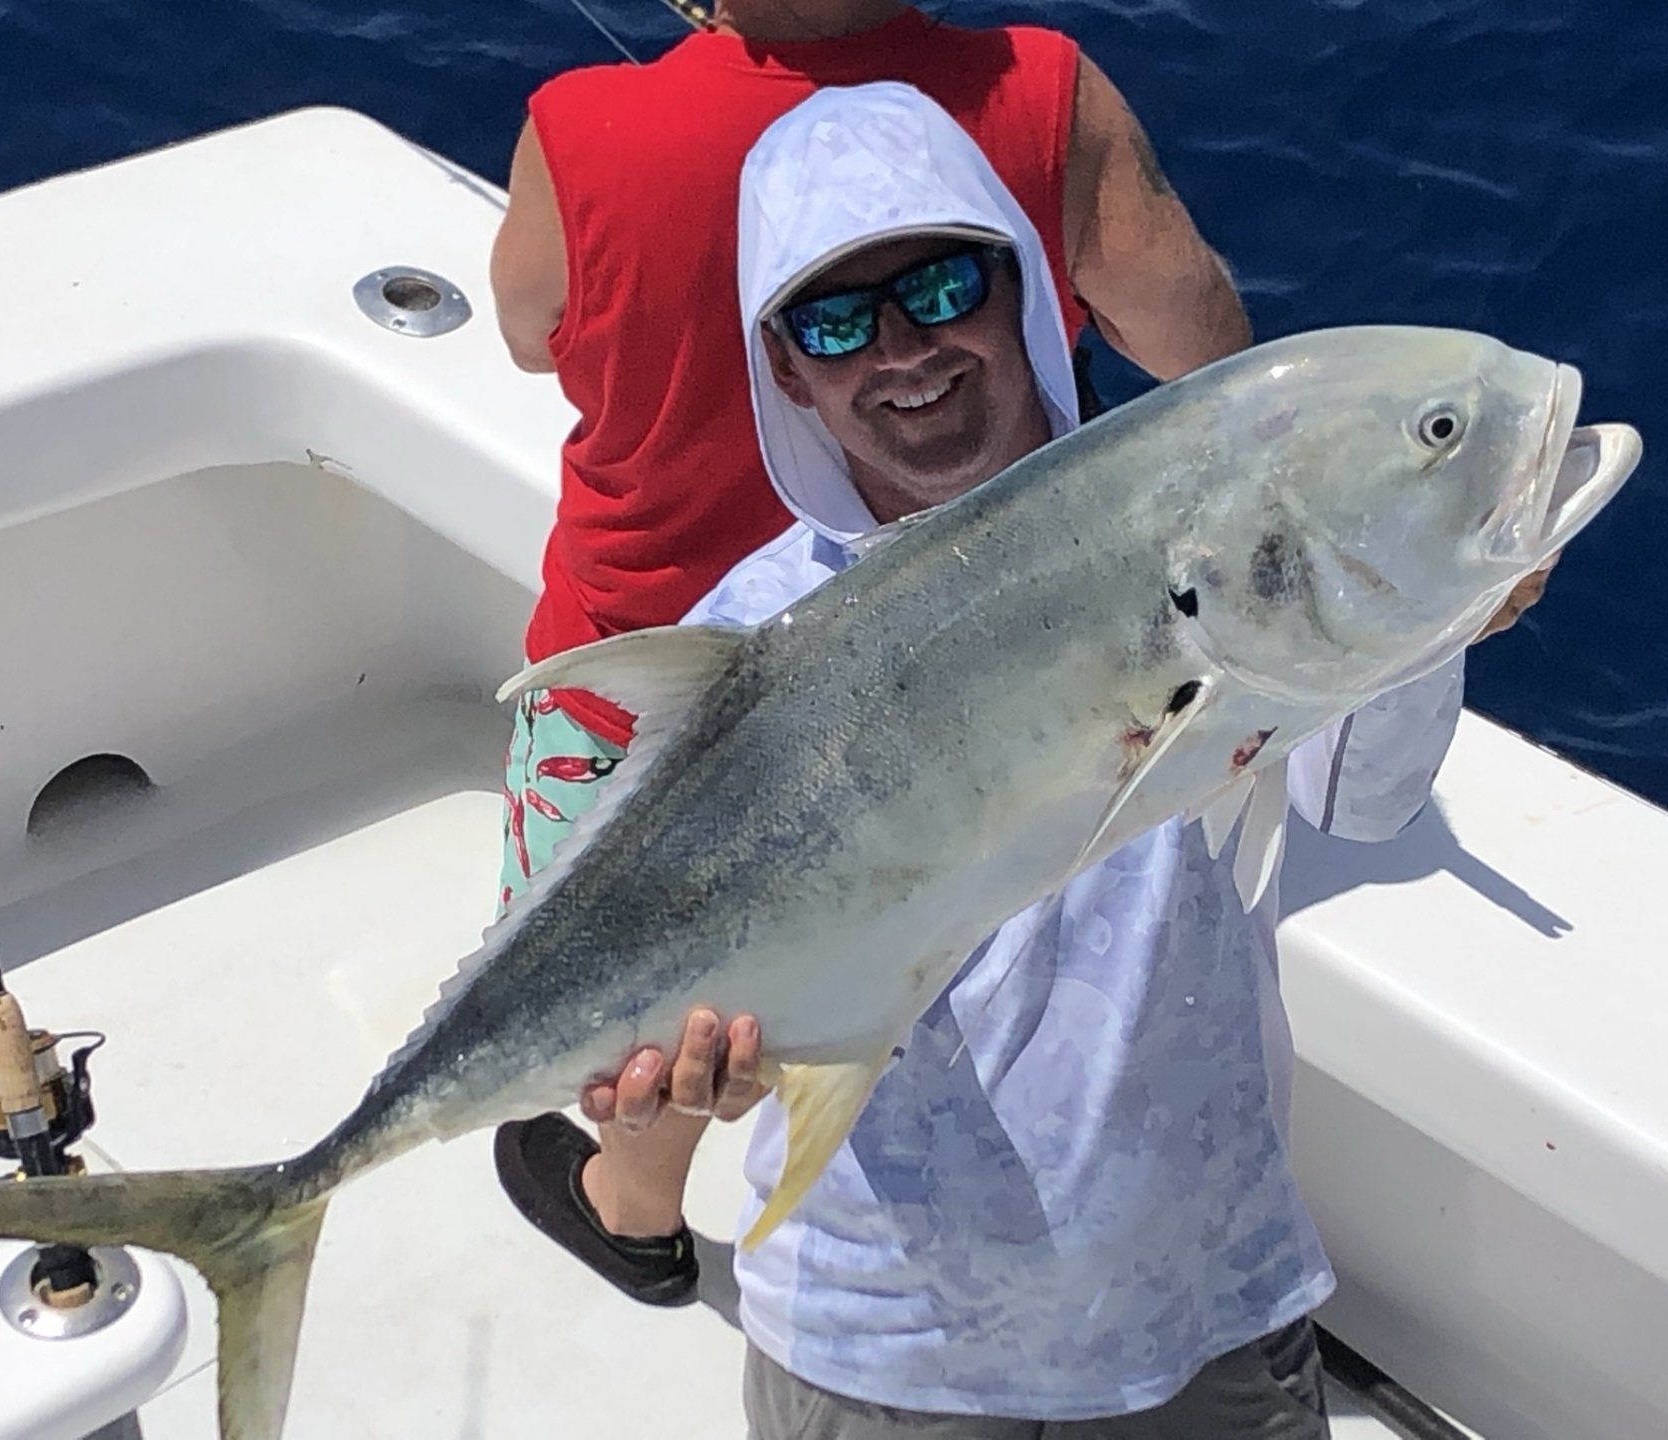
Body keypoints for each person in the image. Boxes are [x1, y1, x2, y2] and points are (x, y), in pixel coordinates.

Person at [501, 83, 1504, 1438]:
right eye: (835, 321)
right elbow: (692, 1003)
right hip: (873, 1346)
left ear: (1022, 285)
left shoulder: (1200, 536)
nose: (902, 349)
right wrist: (695, 1078)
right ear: (787, 371)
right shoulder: (753, 628)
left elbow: (1364, 799)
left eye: (941, 286)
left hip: (1203, 1303)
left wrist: (1432, 601)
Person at [489, 0, 1254, 1302]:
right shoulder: (1043, 94)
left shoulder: (584, 129)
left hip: (641, 664)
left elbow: (522, 332)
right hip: (982, 667)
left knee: (651, 1006)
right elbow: (1204, 364)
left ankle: (632, 1201)